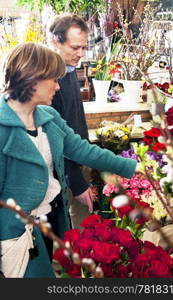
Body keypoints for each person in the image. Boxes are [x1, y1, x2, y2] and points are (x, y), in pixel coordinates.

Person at [0, 42, 136, 278]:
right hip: (15, 235)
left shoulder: (48, 117)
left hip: (51, 219)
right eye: (53, 79)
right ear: (32, 78)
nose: (57, 86)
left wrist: (133, 168)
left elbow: (83, 150)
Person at [48, 13, 95, 229]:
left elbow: (74, 122)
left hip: (79, 159)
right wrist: (76, 181)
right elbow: (55, 139)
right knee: (77, 230)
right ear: (55, 41)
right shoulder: (48, 80)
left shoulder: (68, 70)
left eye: (83, 47)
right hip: (65, 169)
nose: (80, 54)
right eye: (75, 47)